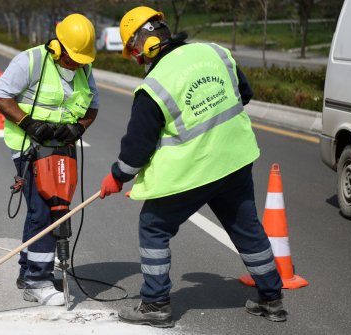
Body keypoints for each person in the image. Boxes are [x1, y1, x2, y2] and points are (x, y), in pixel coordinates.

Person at [98, 6, 286, 328]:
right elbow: (244, 94)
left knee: (153, 228)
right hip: (235, 159)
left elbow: (137, 150)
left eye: (133, 50)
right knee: (248, 228)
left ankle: (156, 304)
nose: (136, 58)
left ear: (140, 47)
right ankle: (272, 300)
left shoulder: (154, 85)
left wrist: (117, 177)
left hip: (196, 171)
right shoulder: (214, 52)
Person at [0, 13, 99, 306]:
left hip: (62, 146)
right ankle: (38, 281)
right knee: (45, 211)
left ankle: (28, 271)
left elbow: (93, 107)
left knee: (54, 208)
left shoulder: (85, 69)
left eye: (81, 60)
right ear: (57, 46)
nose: (76, 64)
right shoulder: (31, 61)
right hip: (29, 146)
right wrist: (29, 123)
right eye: (72, 58)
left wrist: (78, 128)